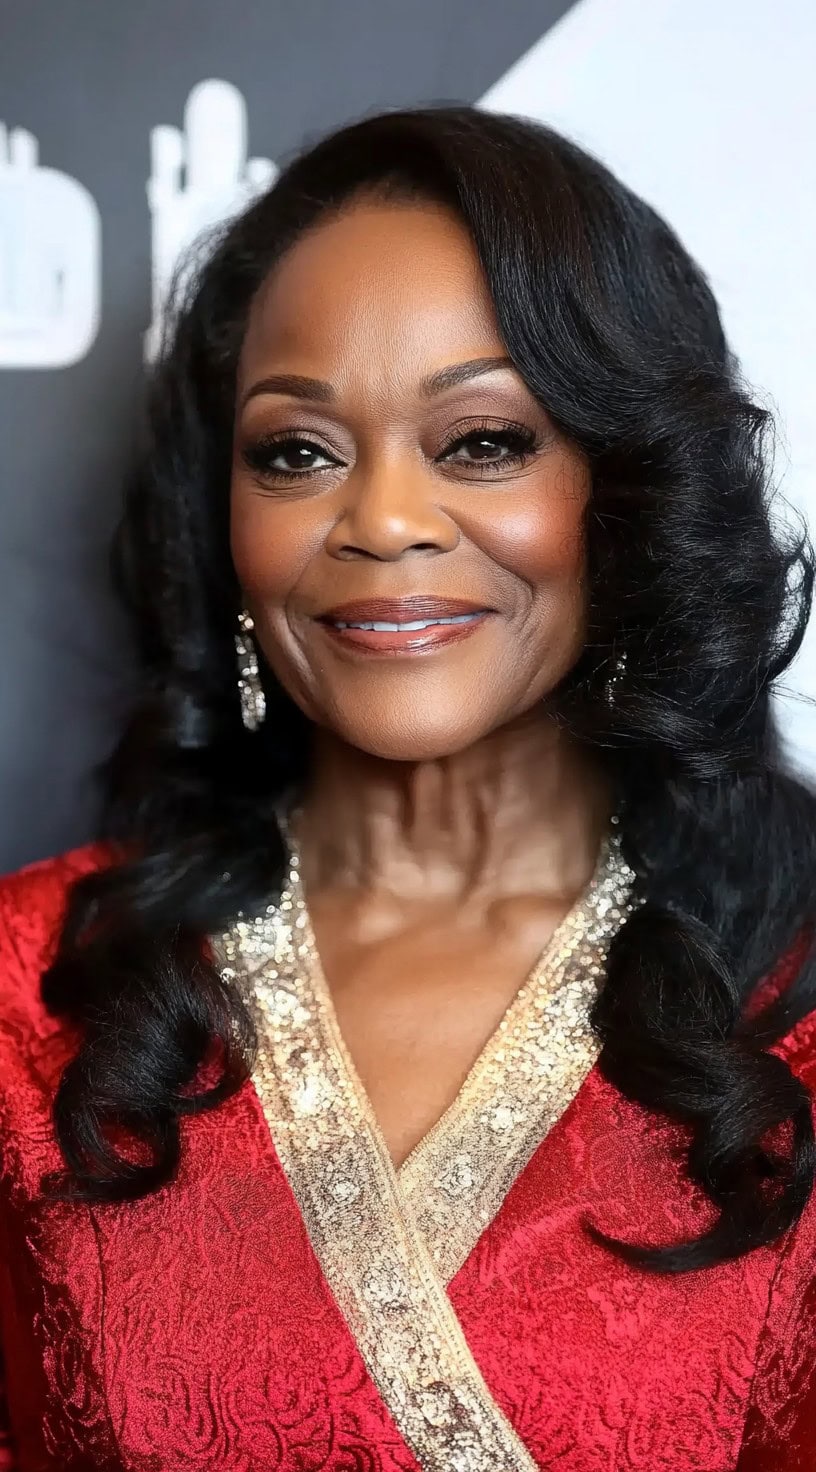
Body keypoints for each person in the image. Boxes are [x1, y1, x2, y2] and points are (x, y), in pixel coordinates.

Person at [1, 102, 815, 1472]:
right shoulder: (26, 994)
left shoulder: (792, 997)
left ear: (625, 490)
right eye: (297, 452)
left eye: (482, 441)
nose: (380, 520)